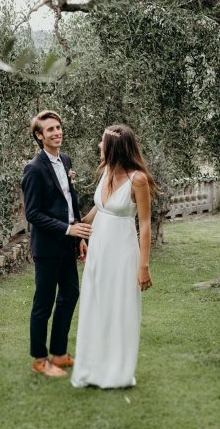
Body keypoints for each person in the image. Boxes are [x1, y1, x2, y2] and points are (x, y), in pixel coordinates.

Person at [71, 124, 158, 389]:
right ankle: (92, 368)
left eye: (102, 142)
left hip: (122, 251)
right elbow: (100, 209)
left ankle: (117, 372)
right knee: (96, 304)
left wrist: (143, 266)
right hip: (99, 250)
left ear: (114, 148)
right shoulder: (107, 172)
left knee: (118, 307)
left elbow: (144, 225)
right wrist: (77, 229)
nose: (99, 146)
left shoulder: (138, 180)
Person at [22, 110, 91, 377]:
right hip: (47, 248)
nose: (57, 132)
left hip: (68, 245)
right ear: (40, 136)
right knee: (44, 302)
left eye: (58, 127)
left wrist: (79, 237)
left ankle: (59, 353)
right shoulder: (34, 169)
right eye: (50, 129)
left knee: (71, 294)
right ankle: (40, 358)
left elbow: (69, 201)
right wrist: (68, 230)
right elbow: (33, 214)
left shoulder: (65, 159)